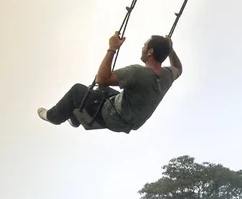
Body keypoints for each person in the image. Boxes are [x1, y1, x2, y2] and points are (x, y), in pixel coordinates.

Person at [37, 31, 183, 134]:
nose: (142, 48)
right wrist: (171, 50)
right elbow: (178, 68)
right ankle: (75, 119)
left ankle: (53, 116)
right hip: (132, 119)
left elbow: (101, 78)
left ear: (150, 52)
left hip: (114, 117)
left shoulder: (137, 72)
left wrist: (112, 48)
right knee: (103, 89)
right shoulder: (167, 76)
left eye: (144, 46)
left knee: (78, 91)